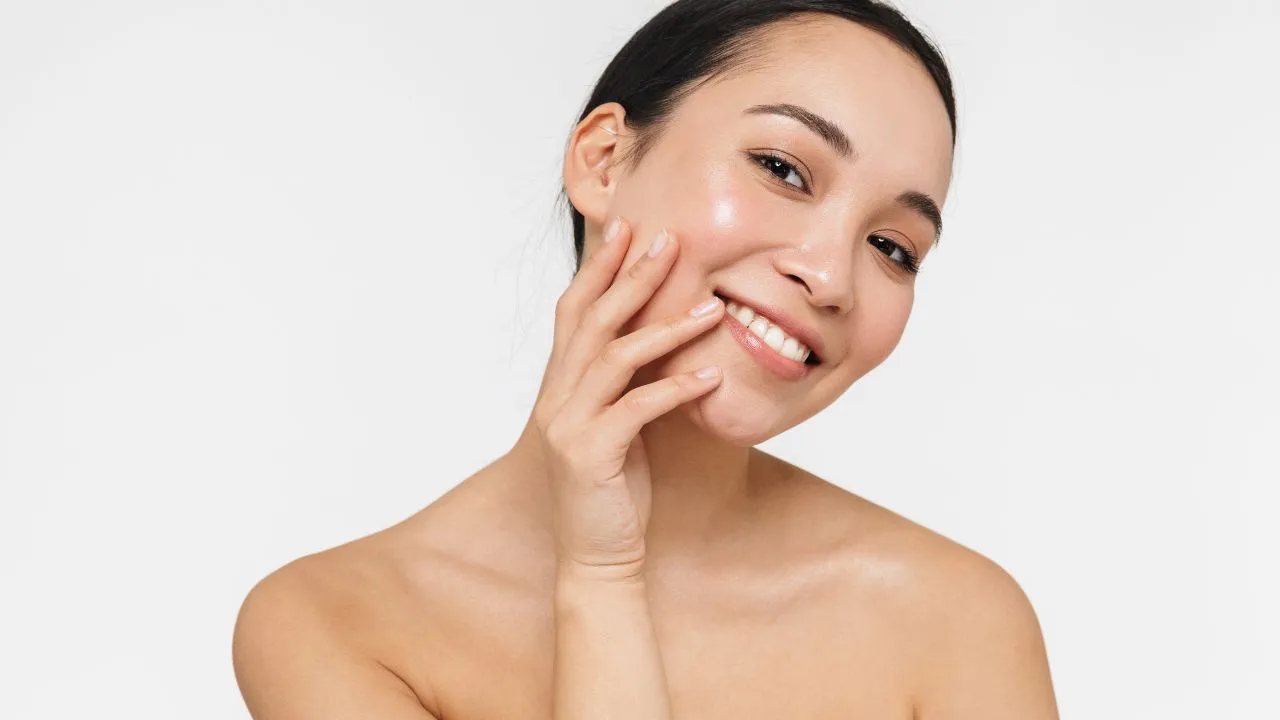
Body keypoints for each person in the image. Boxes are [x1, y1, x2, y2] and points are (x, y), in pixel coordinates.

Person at [232, 1, 1060, 717]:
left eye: (893, 247)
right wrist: (599, 579)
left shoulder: (954, 619)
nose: (831, 275)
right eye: (783, 169)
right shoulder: (334, 624)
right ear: (604, 159)